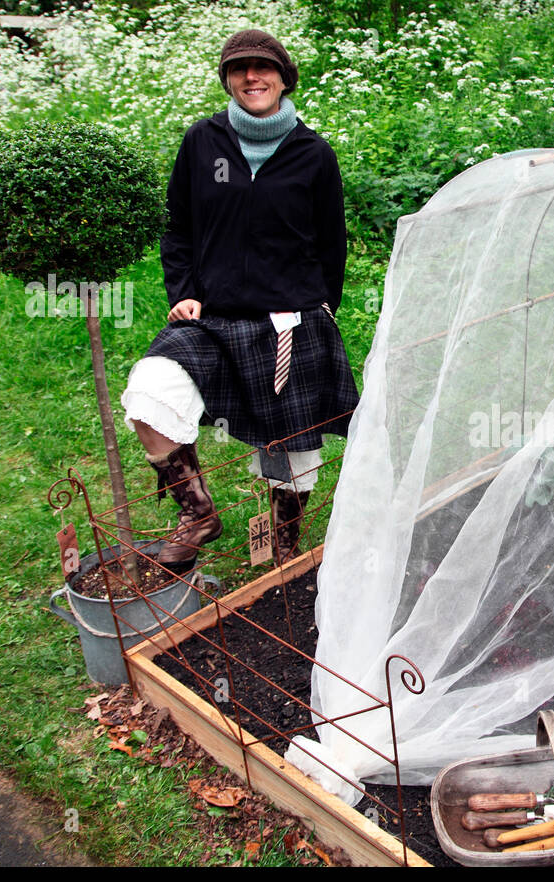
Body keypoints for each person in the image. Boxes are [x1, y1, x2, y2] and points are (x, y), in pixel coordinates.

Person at [121, 28, 358, 571]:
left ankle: (280, 551)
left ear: (283, 78)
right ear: (227, 79)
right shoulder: (202, 143)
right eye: (239, 69)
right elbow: (177, 228)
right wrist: (183, 292)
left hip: (290, 319)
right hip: (213, 317)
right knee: (149, 392)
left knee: (291, 449)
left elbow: (331, 243)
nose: (252, 77)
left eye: (263, 67)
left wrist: (321, 309)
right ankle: (198, 513)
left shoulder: (313, 153)